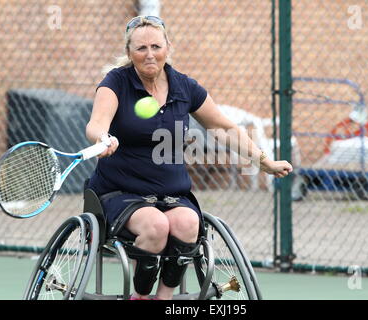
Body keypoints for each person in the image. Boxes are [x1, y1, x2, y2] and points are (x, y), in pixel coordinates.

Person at [86, 15, 293, 300]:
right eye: (141, 48)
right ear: (128, 53)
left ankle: (165, 298)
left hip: (171, 193)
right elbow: (96, 124)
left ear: (168, 47)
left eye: (156, 46)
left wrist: (263, 161)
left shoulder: (184, 87)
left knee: (188, 224)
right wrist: (103, 138)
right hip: (121, 191)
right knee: (156, 227)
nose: (149, 54)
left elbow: (223, 127)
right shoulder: (115, 83)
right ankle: (141, 297)